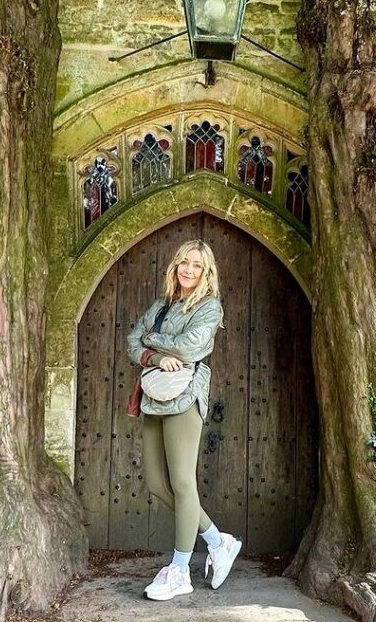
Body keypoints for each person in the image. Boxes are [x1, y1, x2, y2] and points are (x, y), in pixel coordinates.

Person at [127, 239, 243, 601]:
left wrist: (152, 340)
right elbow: (133, 341)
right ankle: (217, 541)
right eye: (183, 263)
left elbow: (191, 347)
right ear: (175, 267)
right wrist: (154, 356)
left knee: (181, 481)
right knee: (157, 483)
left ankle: (179, 570)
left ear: (206, 272)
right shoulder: (162, 305)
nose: (188, 269)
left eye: (196, 265)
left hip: (185, 396)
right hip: (154, 394)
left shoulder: (210, 308)